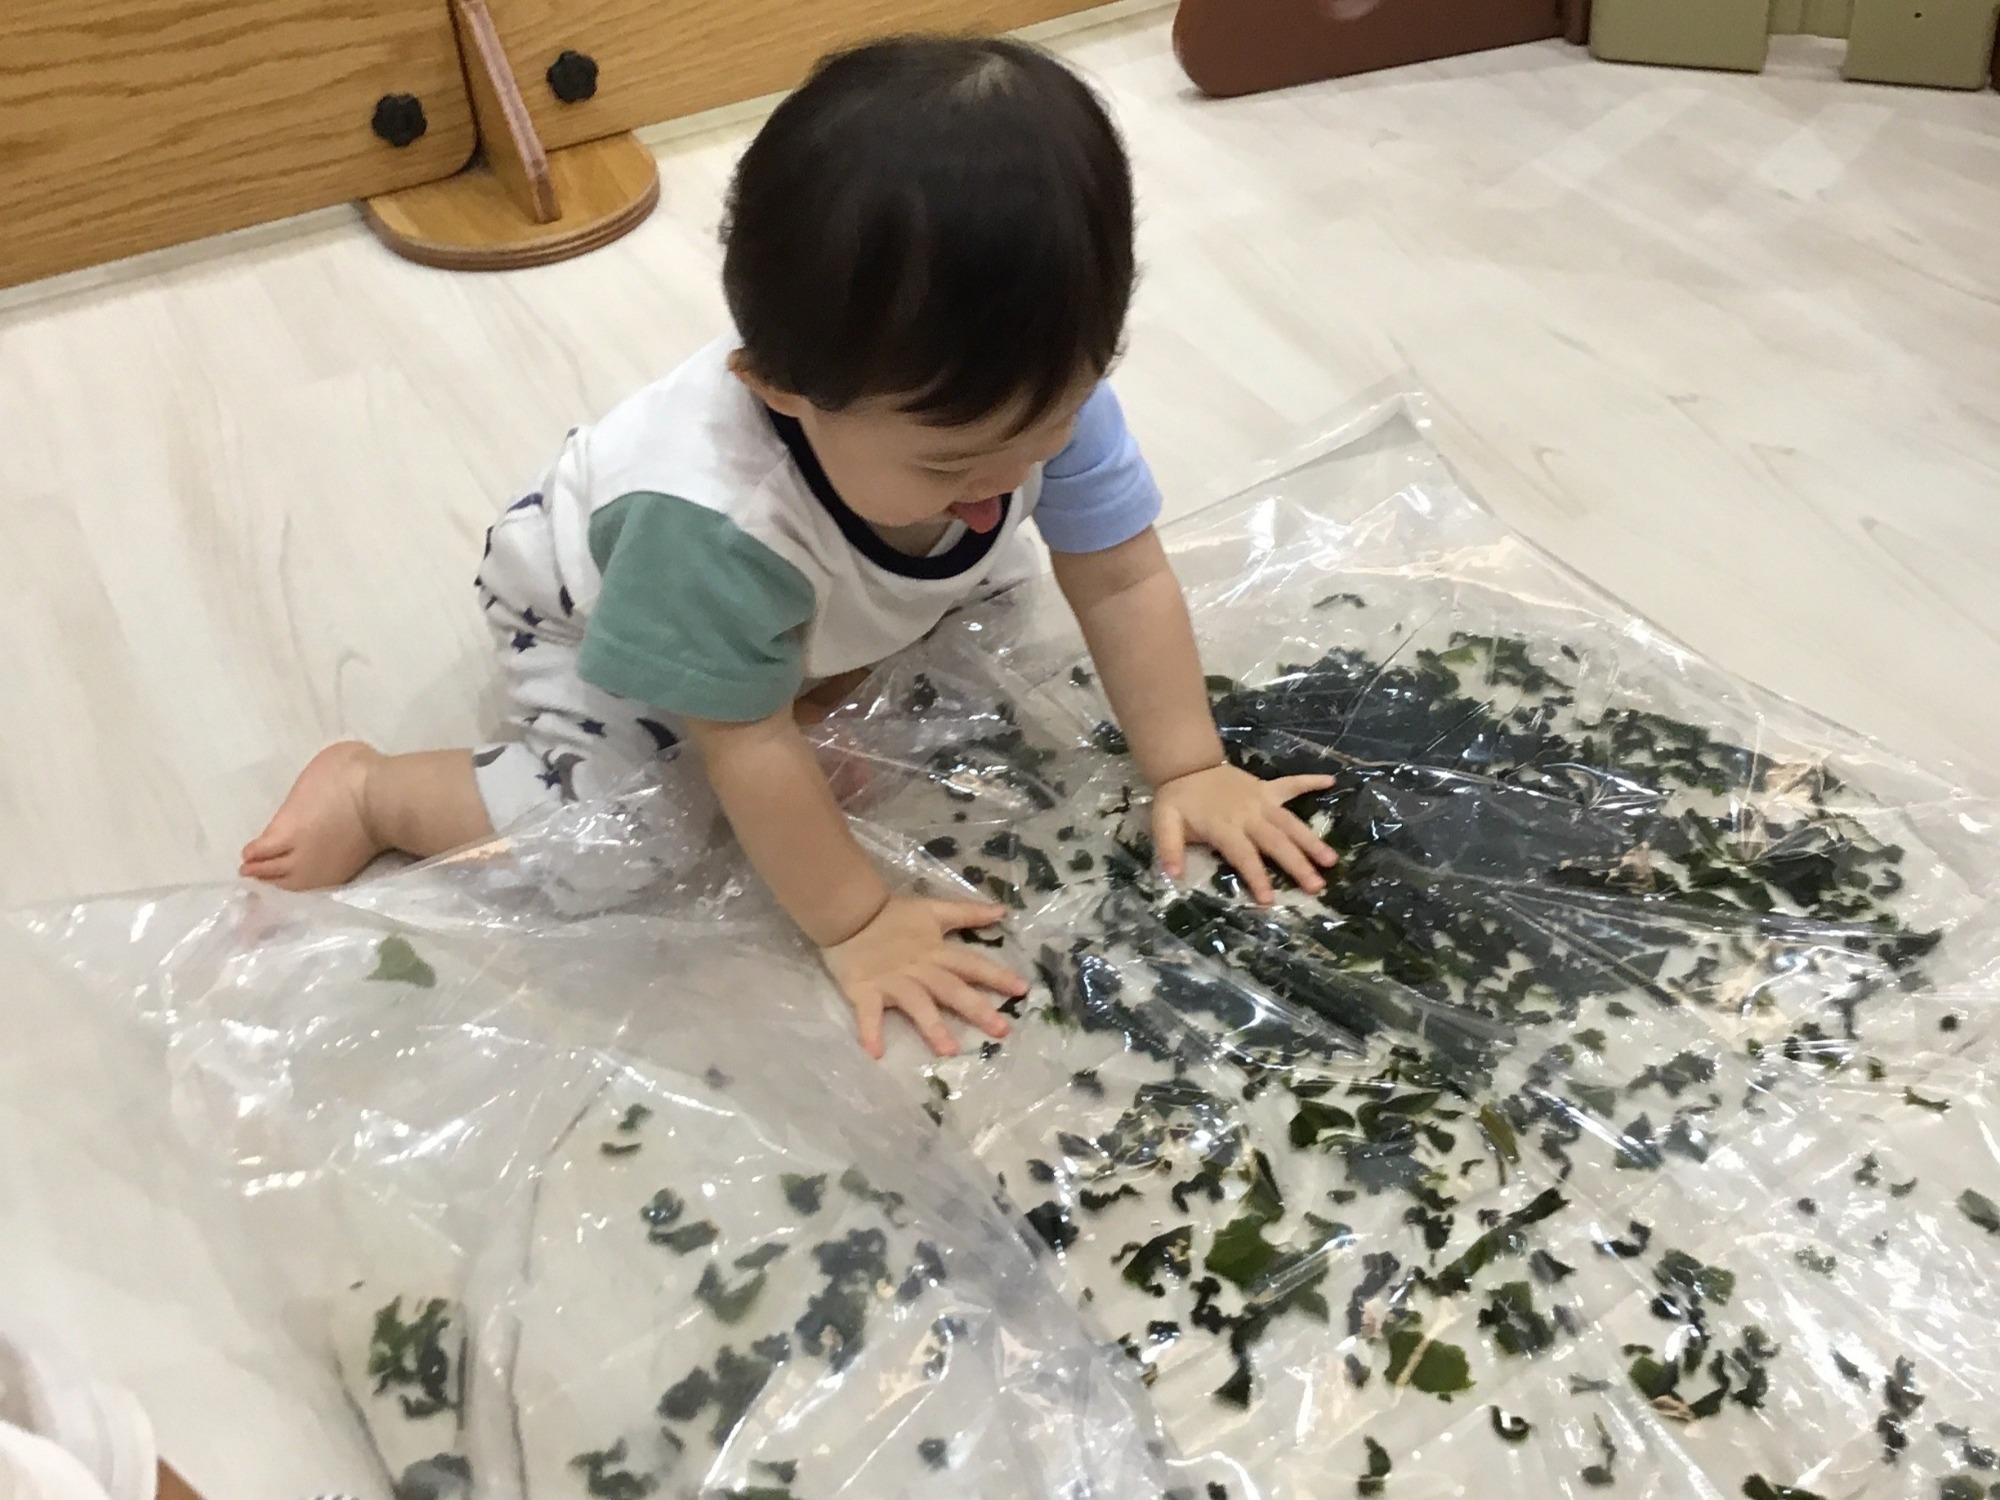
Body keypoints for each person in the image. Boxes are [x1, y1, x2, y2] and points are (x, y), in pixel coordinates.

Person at [241, 36, 1336, 1058]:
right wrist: (855, 922)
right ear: (778, 389)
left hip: (820, 591)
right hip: (602, 610)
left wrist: (1189, 766)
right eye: (951, 463)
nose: (1008, 479)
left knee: (987, 652)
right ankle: (375, 793)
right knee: (625, 840)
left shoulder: (1025, 395)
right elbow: (745, 746)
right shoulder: (711, 524)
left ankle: (808, 664)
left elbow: (1122, 575)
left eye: (1046, 429)